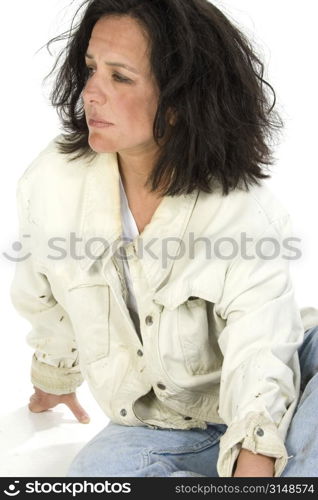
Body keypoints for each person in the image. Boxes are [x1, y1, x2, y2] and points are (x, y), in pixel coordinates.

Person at [10, 0, 318, 477]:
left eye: (120, 77)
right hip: (162, 425)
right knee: (93, 477)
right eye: (91, 69)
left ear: (178, 102)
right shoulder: (51, 181)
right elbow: (44, 293)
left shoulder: (242, 210)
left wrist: (254, 457)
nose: (91, 91)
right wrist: (55, 374)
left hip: (276, 387)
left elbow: (263, 351)